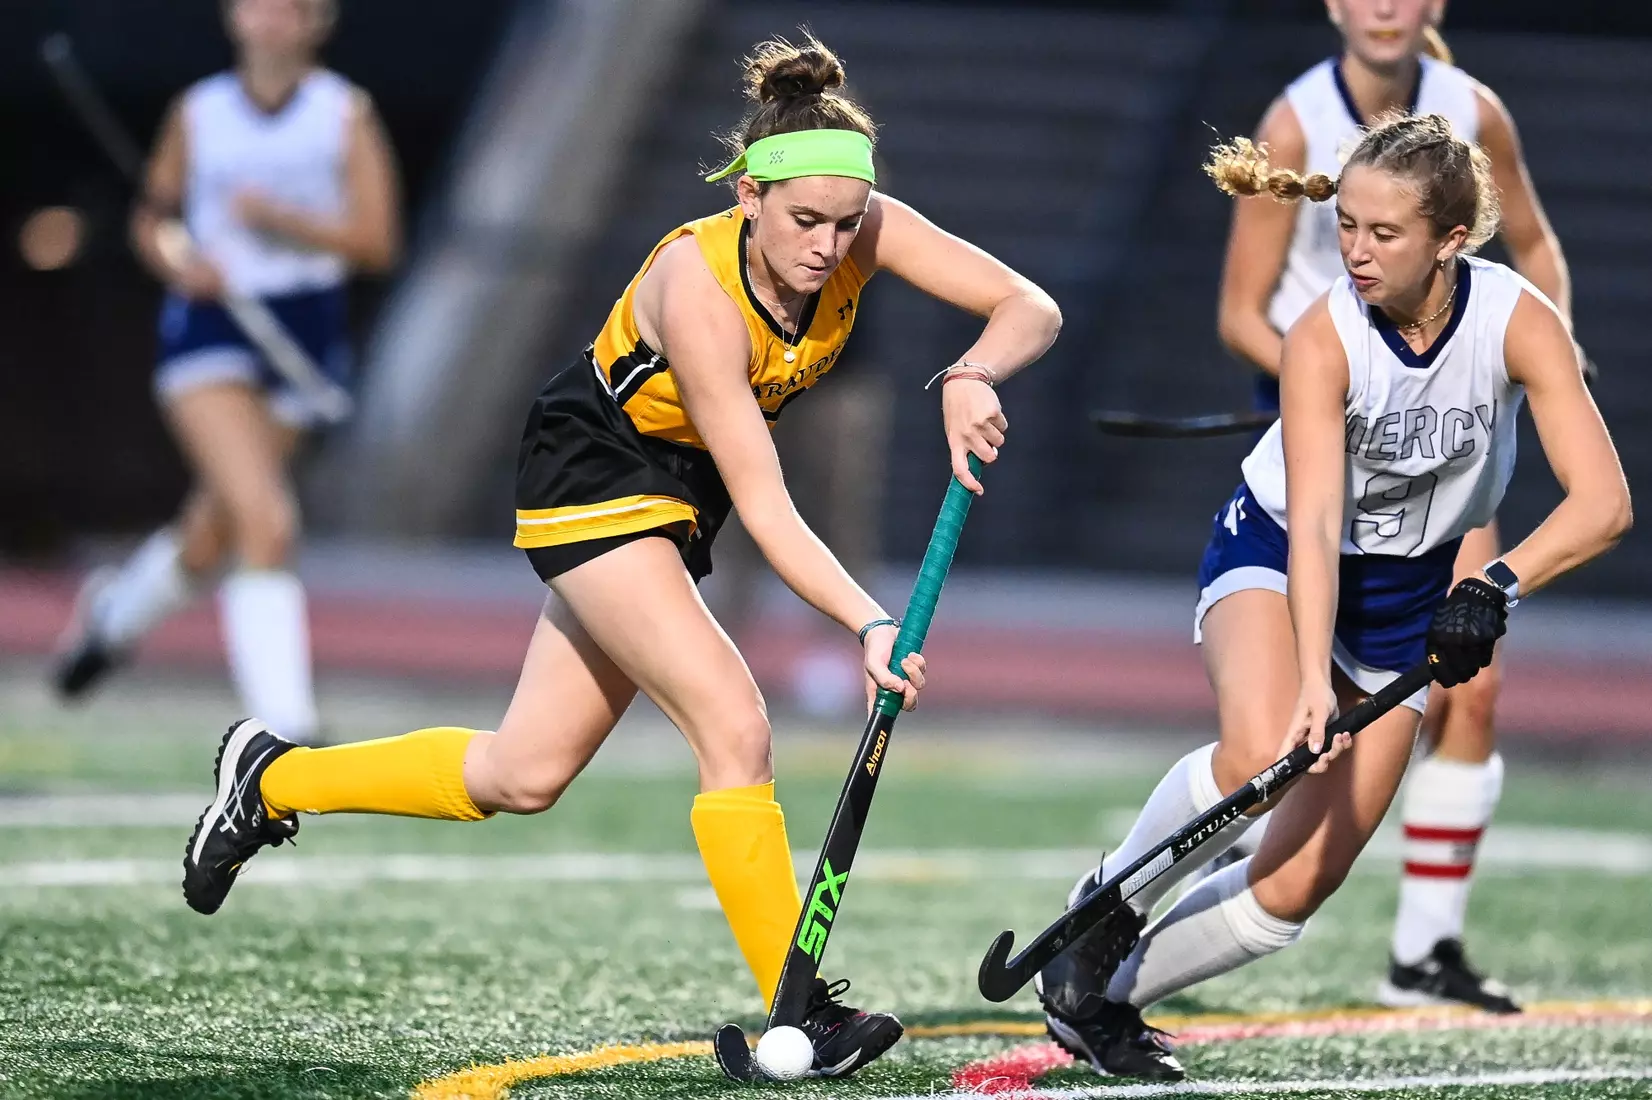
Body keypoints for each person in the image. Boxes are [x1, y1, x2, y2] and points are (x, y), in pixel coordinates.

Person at [179, 34, 1061, 1078]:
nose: (829, 246)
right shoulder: (697, 289)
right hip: (595, 469)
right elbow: (766, 503)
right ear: (749, 196)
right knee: (734, 722)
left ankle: (272, 778)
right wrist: (868, 621)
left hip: (681, 488)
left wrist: (972, 373)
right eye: (804, 222)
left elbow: (1029, 306)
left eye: (844, 222)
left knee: (523, 771)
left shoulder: (863, 226)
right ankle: (803, 1008)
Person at [1035, 113, 1629, 1082]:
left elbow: (1603, 503)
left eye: (1382, 233)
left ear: (1450, 239)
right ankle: (1108, 902)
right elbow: (1312, 522)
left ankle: (1100, 1001)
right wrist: (1313, 681)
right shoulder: (1323, 334)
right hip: (1276, 548)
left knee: (1296, 886)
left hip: (1408, 591)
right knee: (1263, 745)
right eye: (1345, 225)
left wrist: (1493, 584)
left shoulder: (1517, 321)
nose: (1354, 251)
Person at [1209, 1, 1576, 1012]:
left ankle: (1424, 949)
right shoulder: (1295, 122)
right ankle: (1219, 860)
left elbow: (1536, 250)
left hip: (1442, 448)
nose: (1383, 7)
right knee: (1285, 722)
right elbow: (1241, 312)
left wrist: (1550, 351)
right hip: (1340, 443)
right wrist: (1336, 385)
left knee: (1472, 684)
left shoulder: (1474, 113)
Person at [52, 0, 401, 746]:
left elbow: (376, 242)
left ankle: (110, 620)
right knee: (266, 519)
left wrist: (285, 221)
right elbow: (154, 222)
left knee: (213, 532)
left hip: (301, 335)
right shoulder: (199, 111)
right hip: (211, 327)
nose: (267, 17)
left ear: (315, 21)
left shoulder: (344, 113)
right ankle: (287, 730)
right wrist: (182, 263)